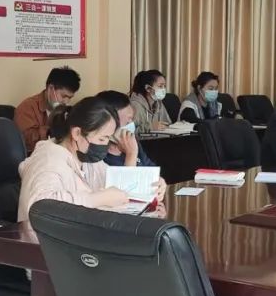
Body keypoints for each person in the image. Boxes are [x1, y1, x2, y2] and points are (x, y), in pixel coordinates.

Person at [17, 96, 166, 223]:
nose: (105, 145)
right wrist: (98, 198)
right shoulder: (48, 160)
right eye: (102, 139)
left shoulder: (86, 159)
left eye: (108, 138)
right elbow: (40, 206)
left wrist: (151, 186)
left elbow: (117, 187)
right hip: (46, 243)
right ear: (77, 133)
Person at [14, 67, 81, 151]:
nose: (66, 101)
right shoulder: (27, 107)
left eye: (70, 98)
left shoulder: (65, 111)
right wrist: (51, 131)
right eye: (63, 96)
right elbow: (24, 140)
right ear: (50, 88)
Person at [95, 90, 157, 168]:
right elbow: (125, 176)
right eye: (127, 122)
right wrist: (131, 154)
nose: (131, 125)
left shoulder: (132, 142)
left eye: (132, 119)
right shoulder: (98, 157)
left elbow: (152, 169)